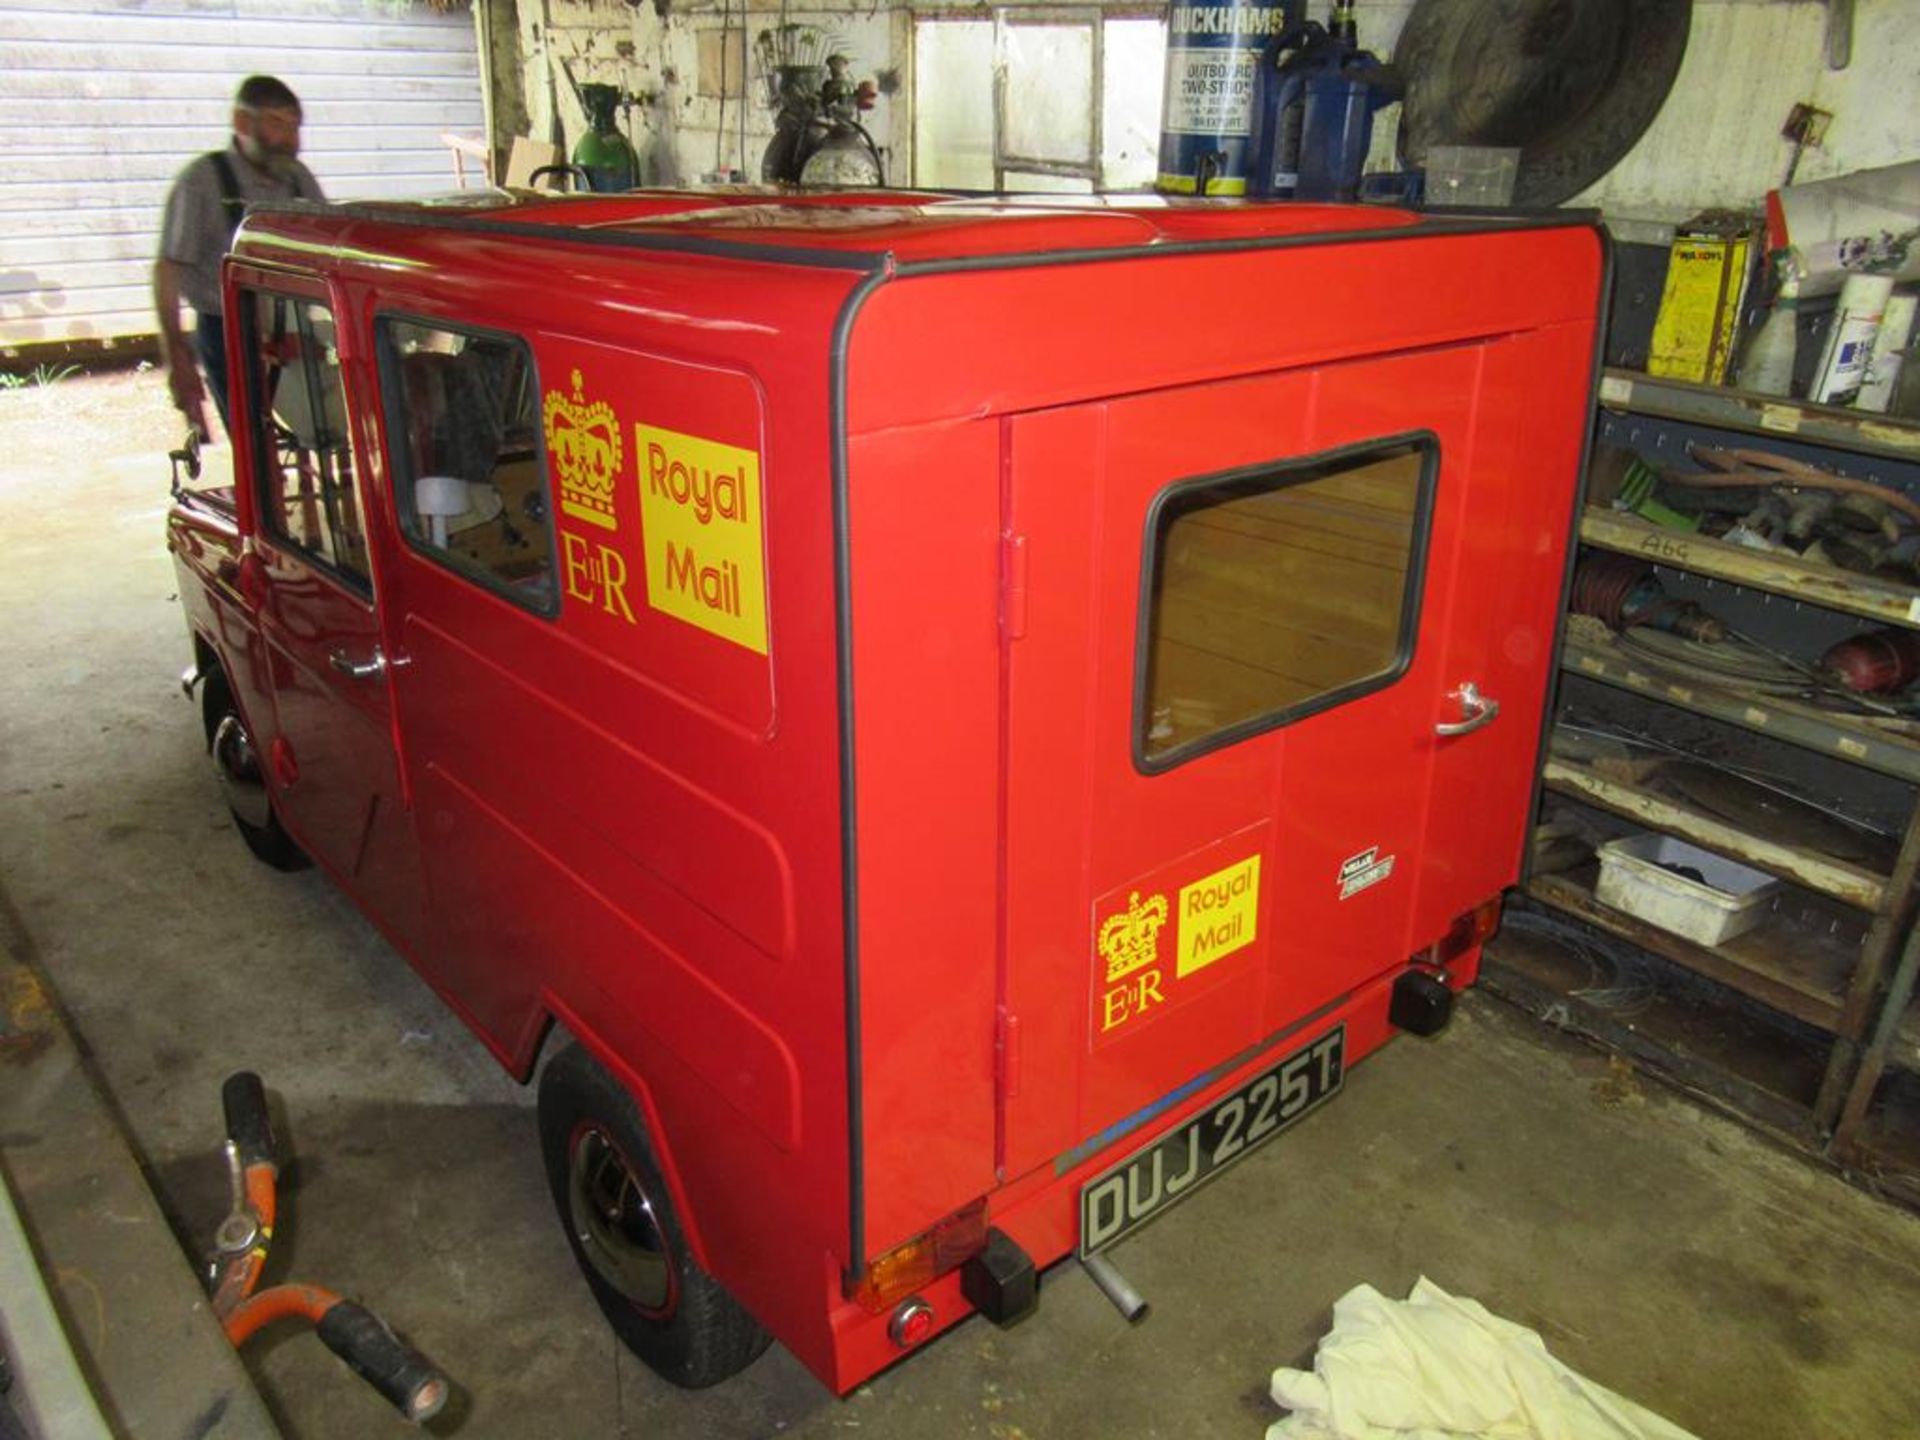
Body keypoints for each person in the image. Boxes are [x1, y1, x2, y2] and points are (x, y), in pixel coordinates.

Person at [154, 75, 326, 436]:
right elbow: (168, 269)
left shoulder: (297, 179)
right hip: (228, 329)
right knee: (254, 444)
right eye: (278, 124)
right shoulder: (202, 181)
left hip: (294, 324)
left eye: (295, 127)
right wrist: (178, 356)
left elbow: (326, 245)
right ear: (242, 123)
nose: (292, 140)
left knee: (322, 427)